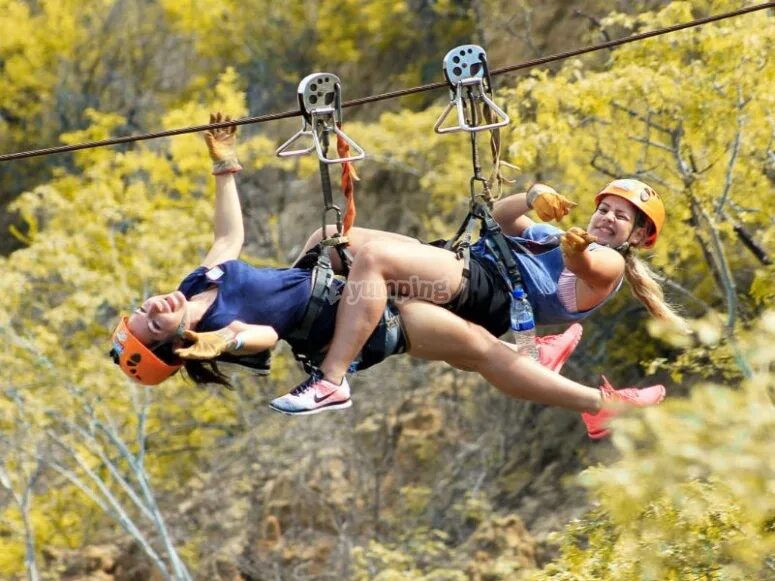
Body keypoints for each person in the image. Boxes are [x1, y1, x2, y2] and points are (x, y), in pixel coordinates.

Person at [110, 113, 668, 439]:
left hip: (375, 304)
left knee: (474, 345)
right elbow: (263, 338)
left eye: (142, 308)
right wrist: (210, 343)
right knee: (374, 262)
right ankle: (331, 380)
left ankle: (598, 404)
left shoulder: (194, 284)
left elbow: (228, 238)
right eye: (152, 322)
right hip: (376, 315)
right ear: (171, 343)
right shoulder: (222, 330)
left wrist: (224, 166)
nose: (153, 305)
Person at [270, 175, 685, 439]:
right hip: (464, 264)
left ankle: (331, 379)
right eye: (604, 209)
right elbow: (500, 218)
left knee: (376, 258)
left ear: (635, 237)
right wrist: (532, 195)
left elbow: (586, 264)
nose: (607, 219)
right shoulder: (553, 233)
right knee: (330, 237)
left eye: (621, 218)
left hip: (489, 289)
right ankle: (279, 306)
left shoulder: (611, 261)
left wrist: (576, 249)